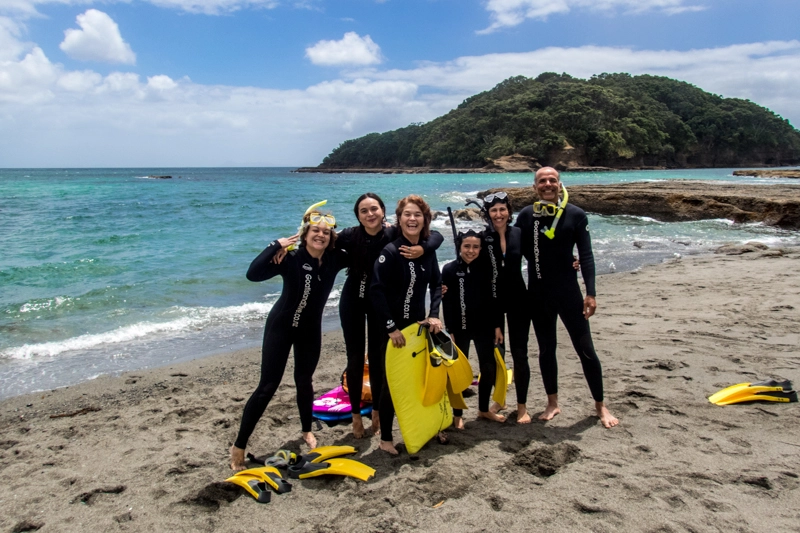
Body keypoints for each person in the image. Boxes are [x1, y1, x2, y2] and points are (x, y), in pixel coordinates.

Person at [230, 208, 348, 471]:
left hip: (309, 331)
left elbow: (363, 248)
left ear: (331, 237)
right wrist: (276, 245)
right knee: (268, 386)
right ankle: (239, 445)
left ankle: (306, 430)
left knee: (304, 381)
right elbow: (253, 274)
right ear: (304, 234)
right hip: (281, 327)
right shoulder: (290, 258)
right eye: (315, 230)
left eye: (326, 232)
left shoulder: (335, 260)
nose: (320, 235)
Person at [515, 167, 619, 428]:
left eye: (552, 180)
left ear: (560, 185)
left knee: (585, 348)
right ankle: (553, 403)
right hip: (538, 295)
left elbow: (586, 255)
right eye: (542, 181)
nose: (547, 184)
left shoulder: (575, 215)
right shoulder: (527, 216)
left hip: (569, 294)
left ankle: (600, 406)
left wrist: (591, 293)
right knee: (546, 350)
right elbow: (512, 251)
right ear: (534, 187)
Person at [336, 193, 443, 439]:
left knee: (376, 357)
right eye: (363, 211)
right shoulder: (350, 235)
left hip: (378, 303)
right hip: (353, 299)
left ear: (383, 211)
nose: (370, 214)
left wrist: (422, 248)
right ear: (358, 216)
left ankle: (375, 410)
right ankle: (355, 416)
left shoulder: (393, 232)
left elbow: (435, 236)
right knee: (354, 359)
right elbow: (322, 240)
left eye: (374, 209)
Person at [370, 195, 444, 455]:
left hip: (418, 326)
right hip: (393, 330)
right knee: (392, 384)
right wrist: (391, 328)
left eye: (417, 215)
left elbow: (436, 283)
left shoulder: (427, 250)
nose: (412, 219)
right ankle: (386, 438)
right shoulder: (391, 252)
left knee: (422, 378)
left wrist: (434, 314)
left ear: (424, 220)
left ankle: (428, 425)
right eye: (407, 215)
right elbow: (376, 291)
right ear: (399, 219)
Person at [441, 229, 505, 428]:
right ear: (459, 247)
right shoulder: (449, 270)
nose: (471, 251)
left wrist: (497, 325)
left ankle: (484, 409)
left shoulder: (486, 267)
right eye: (466, 246)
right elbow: (447, 302)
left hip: (484, 326)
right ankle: (457, 414)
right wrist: (449, 329)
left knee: (488, 367)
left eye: (475, 247)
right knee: (459, 371)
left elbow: (494, 299)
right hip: (459, 328)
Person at [479, 191, 533, 424]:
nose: (498, 214)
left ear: (509, 212)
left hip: (519, 299)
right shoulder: (483, 238)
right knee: (496, 355)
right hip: (493, 302)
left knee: (520, 354)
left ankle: (522, 406)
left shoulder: (520, 234)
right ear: (488, 214)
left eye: (502, 209)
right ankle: (499, 399)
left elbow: (539, 257)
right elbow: (470, 265)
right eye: (494, 210)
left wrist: (570, 259)